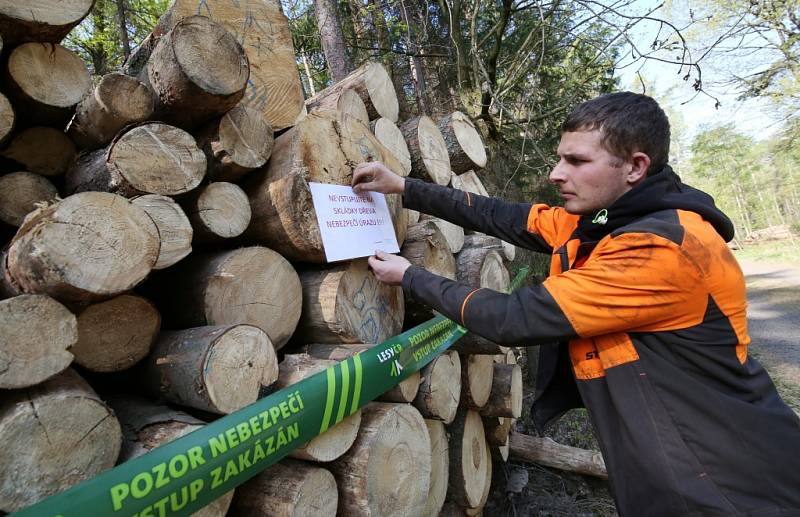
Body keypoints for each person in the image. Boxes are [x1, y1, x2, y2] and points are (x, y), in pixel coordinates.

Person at [352, 92, 800, 516]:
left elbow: (516, 318)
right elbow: (505, 217)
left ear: (635, 167)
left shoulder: (659, 246)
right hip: (668, 453)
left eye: (576, 161)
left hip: (722, 477)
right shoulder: (604, 221)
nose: (555, 173)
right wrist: (404, 188)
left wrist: (409, 275)